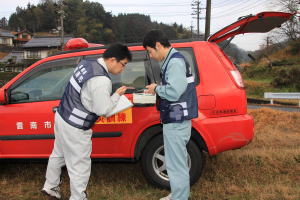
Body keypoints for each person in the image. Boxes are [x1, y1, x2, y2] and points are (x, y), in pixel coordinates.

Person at [41, 43, 132, 200]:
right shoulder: (102, 80)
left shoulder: (87, 63)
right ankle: (78, 197)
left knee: (58, 154)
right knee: (80, 165)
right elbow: (103, 110)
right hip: (76, 126)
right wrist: (119, 97)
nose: (123, 69)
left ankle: (50, 186)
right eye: (123, 64)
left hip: (62, 115)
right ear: (112, 60)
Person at [143, 30, 198, 200]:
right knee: (175, 162)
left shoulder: (174, 62)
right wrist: (159, 87)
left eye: (150, 51)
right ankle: (178, 194)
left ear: (158, 45)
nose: (151, 56)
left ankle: (180, 197)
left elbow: (174, 92)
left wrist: (156, 89)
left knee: (176, 163)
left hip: (177, 119)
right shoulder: (172, 60)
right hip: (175, 118)